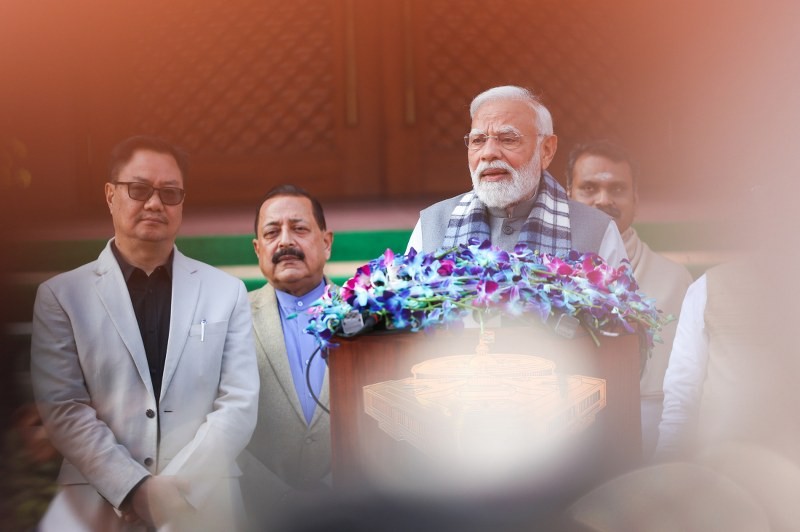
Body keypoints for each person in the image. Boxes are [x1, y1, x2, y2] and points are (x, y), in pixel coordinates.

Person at [30, 135, 259, 531]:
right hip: (97, 503)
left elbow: (239, 402)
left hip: (205, 505)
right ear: (110, 195)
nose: (155, 203)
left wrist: (177, 490)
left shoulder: (226, 292)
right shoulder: (61, 296)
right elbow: (64, 407)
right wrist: (134, 488)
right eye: (139, 189)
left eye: (170, 193)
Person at [566, 140, 693, 458]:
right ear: (568, 196)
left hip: (646, 436)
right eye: (590, 188)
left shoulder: (676, 281)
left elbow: (681, 393)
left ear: (636, 199)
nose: (603, 200)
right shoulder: (541, 276)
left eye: (617, 189)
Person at [406, 85, 626, 267]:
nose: (488, 153)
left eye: (508, 139)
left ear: (546, 150)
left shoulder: (597, 230)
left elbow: (621, 317)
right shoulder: (432, 224)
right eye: (478, 140)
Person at [238, 184, 334, 529]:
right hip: (259, 511)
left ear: (326, 242)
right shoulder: (230, 319)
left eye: (300, 228)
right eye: (272, 232)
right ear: (258, 248)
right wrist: (276, 498)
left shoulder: (368, 312)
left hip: (349, 506)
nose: (285, 242)